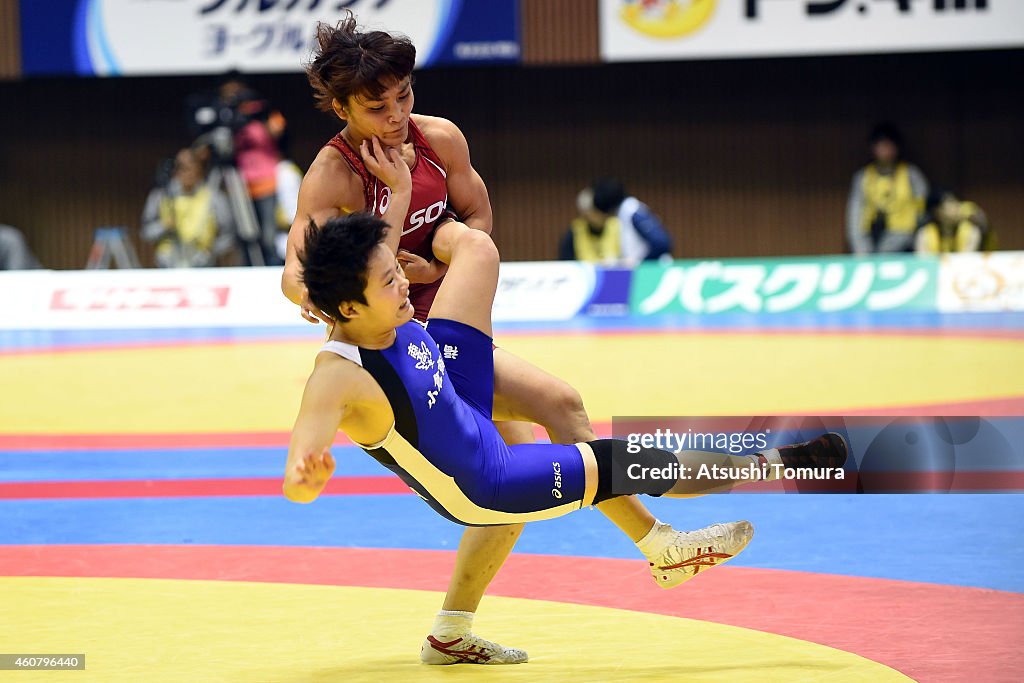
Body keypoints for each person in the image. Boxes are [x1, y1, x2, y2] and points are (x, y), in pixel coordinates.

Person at [280, 15, 717, 666]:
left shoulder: (438, 140)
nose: (398, 115)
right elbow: (295, 277)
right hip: (396, 337)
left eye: (406, 96)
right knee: (527, 449)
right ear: (341, 108)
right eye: (378, 106)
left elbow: (479, 215)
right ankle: (659, 545)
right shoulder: (332, 176)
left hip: (444, 325)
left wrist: (438, 262)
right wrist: (359, 287)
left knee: (549, 416)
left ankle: (457, 630)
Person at [284, 168, 847, 661]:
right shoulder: (338, 378)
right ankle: (769, 467)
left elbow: (384, 245)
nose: (406, 282)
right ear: (350, 308)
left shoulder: (380, 305)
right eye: (389, 282)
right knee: (633, 463)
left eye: (396, 271)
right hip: (489, 480)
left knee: (477, 252)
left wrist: (401, 187)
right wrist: (306, 480)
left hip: (455, 392)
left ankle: (452, 633)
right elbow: (298, 470)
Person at [141, 148, 235, 268]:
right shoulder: (161, 196)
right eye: (183, 168)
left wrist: (212, 251)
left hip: (202, 263)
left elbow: (228, 234)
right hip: (168, 264)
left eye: (193, 167)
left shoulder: (214, 197)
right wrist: (164, 226)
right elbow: (146, 232)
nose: (188, 173)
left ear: (200, 169)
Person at [846, 123, 929, 255]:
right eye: (881, 145)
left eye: (889, 145)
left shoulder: (911, 174)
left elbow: (923, 211)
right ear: (873, 148)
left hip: (906, 245)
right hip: (871, 242)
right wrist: (861, 251)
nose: (886, 150)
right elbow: (854, 216)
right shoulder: (863, 177)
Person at [559, 177, 673, 264]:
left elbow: (661, 243)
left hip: (653, 270)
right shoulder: (618, 216)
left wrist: (640, 263)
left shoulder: (631, 210)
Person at [915, 188, 992, 254]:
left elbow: (966, 262)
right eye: (951, 203)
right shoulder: (925, 234)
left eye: (957, 202)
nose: (957, 207)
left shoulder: (970, 231)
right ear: (937, 211)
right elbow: (924, 263)